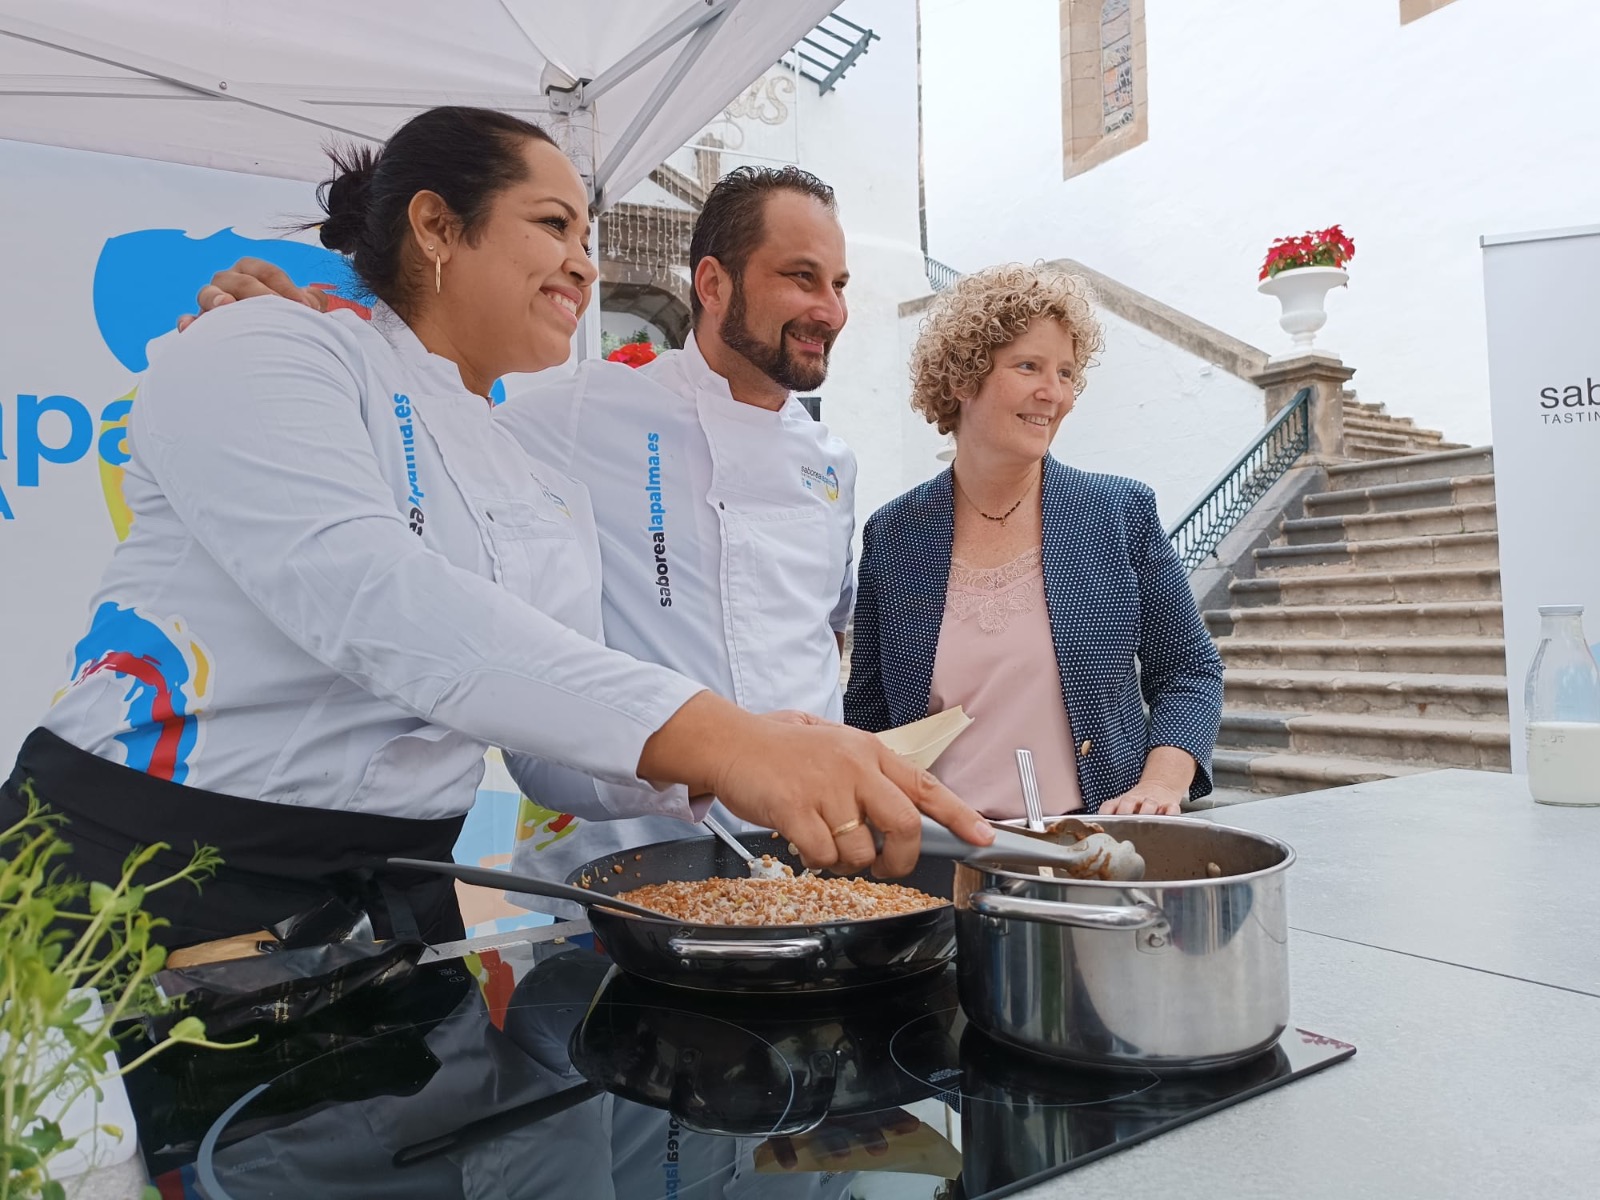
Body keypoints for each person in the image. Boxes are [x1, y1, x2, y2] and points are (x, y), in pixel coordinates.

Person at [0, 107, 990, 949]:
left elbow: (543, 745)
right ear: (436, 225)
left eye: (587, 237)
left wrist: (730, 762)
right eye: (553, 224)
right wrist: (728, 741)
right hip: (153, 864)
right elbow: (375, 601)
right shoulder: (270, 346)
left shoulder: (530, 475)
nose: (584, 267)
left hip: (393, 893)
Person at [192, 166, 878, 910]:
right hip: (625, 862)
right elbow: (425, 429)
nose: (830, 310)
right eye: (802, 278)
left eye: (839, 285)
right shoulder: (588, 408)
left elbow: (825, 630)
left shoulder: (831, 461)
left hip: (806, 860)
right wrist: (318, 343)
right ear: (712, 284)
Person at [844, 264, 1223, 818]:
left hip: (1089, 851)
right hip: (939, 854)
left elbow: (1189, 668)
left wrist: (1162, 785)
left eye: (1067, 373)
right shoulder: (895, 534)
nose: (1055, 394)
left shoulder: (1119, 513)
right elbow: (871, 712)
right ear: (962, 379)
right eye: (1029, 367)